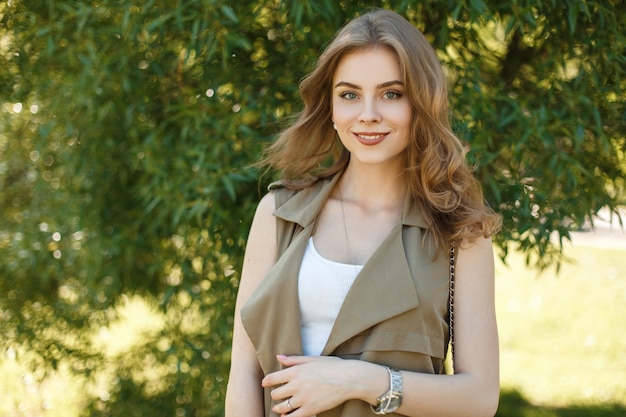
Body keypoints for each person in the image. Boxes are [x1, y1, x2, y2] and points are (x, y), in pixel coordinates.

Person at [225, 8, 502, 417]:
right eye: (349, 94)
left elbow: (480, 398)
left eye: (391, 93)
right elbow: (243, 375)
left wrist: (361, 380)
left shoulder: (459, 231)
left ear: (421, 102)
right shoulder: (278, 214)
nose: (367, 113)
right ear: (331, 107)